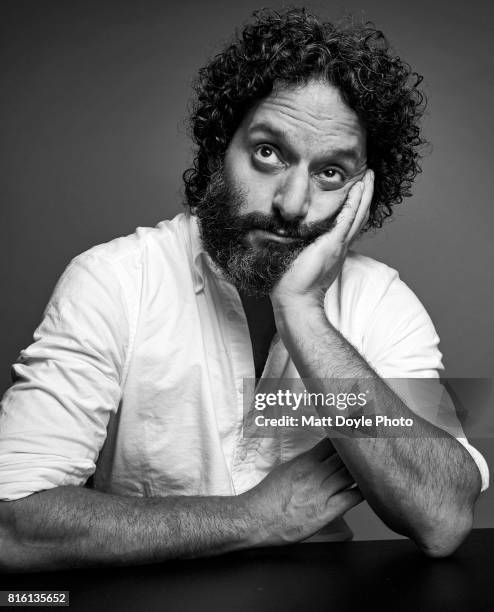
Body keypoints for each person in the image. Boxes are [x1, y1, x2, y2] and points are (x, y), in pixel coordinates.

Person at [0, 8, 488, 571]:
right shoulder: (114, 281)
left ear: (361, 195)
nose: (291, 204)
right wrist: (256, 516)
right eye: (268, 152)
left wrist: (303, 313)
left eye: (331, 172)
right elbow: (14, 525)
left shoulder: (379, 301)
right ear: (217, 152)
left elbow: (442, 519)